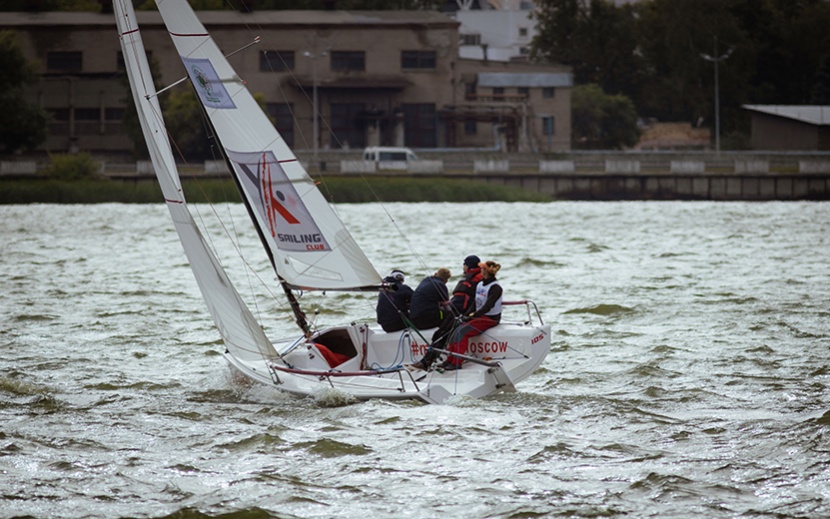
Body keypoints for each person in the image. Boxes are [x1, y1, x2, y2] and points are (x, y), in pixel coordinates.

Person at [409, 255, 482, 370]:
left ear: (467, 266)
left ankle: (428, 362)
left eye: (464, 265)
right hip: (456, 311)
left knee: (443, 334)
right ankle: (430, 361)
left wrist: (468, 315)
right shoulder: (474, 278)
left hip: (461, 313)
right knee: (439, 334)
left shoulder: (477, 279)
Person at [439, 260, 503, 371]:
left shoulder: (495, 287)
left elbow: (488, 306)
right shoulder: (480, 284)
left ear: (487, 271)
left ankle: (456, 363)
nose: (480, 271)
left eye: (482, 269)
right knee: (455, 331)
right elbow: (474, 303)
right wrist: (466, 314)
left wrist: (473, 316)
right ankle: (449, 360)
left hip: (490, 318)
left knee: (462, 333)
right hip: (479, 316)